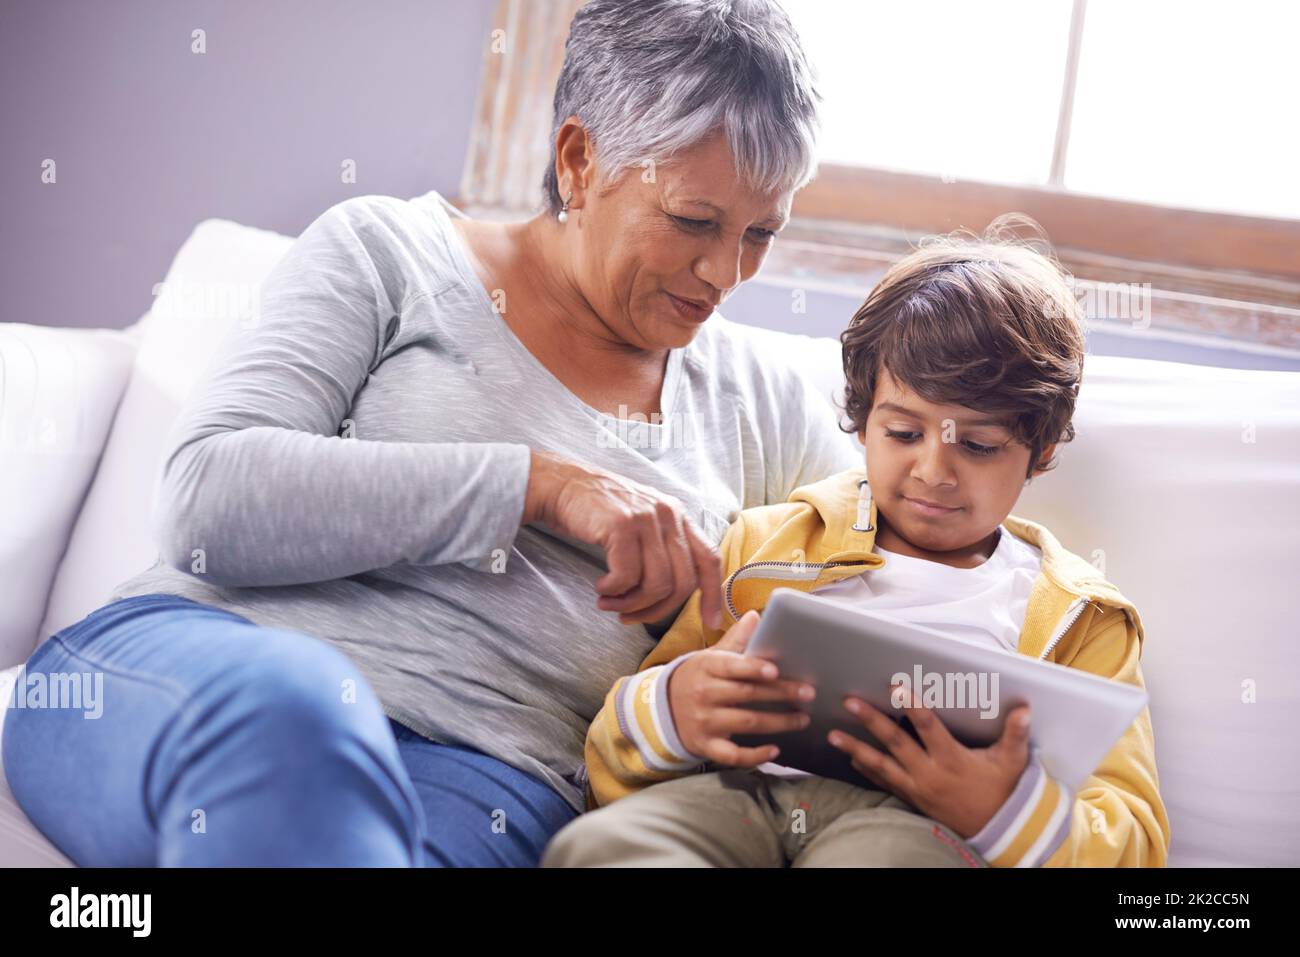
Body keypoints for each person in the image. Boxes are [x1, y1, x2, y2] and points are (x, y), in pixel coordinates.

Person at [2, 0, 859, 866]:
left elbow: (912, 572)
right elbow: (204, 497)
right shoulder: (392, 252)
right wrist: (542, 485)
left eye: (762, 234)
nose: (726, 273)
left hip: (487, 778)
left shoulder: (766, 406)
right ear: (579, 161)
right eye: (693, 221)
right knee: (299, 715)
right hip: (208, 672)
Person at [542, 222, 1172, 867]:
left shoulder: (1083, 620)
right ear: (863, 419)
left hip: (923, 829)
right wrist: (676, 711)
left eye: (979, 446)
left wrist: (1000, 811)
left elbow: (1133, 838)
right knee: (604, 847)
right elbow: (617, 749)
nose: (934, 471)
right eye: (902, 433)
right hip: (739, 798)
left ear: (1038, 453)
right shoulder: (766, 545)